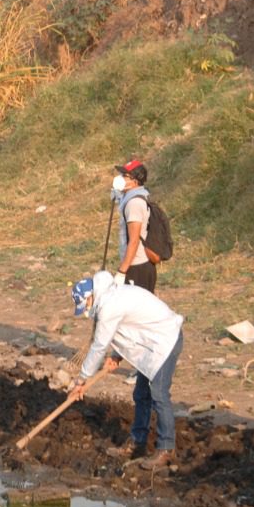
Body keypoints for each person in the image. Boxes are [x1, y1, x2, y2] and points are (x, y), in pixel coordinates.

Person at [68, 271, 185, 469]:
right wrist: (117, 355)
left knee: (159, 395)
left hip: (165, 341)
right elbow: (131, 328)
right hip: (150, 344)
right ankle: (137, 441)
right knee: (141, 394)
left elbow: (98, 346)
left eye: (85, 306)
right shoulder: (112, 296)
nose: (87, 312)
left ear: (90, 297)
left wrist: (82, 380)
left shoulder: (108, 306)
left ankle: (166, 448)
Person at [112, 159, 157, 294]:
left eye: (125, 176)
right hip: (139, 265)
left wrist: (122, 271)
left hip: (137, 266)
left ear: (135, 180)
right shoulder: (135, 197)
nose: (120, 179)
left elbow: (134, 241)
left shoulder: (134, 204)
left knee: (139, 312)